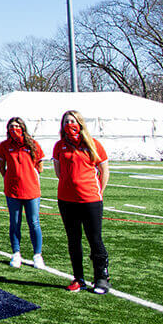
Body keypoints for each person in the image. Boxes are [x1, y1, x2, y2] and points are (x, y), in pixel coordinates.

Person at [53, 110, 111, 293]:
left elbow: (104, 170)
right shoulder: (59, 146)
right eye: (66, 121)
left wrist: (97, 191)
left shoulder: (93, 144)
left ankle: (101, 278)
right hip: (66, 200)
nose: (70, 124)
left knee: (95, 239)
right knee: (73, 240)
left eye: (73, 121)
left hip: (90, 200)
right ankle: (78, 278)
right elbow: (58, 171)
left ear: (80, 122)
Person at [0, 116, 45, 270]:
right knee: (15, 222)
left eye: (17, 126)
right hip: (13, 191)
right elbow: (2, 167)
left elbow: (40, 167)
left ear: (23, 127)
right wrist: (12, 179)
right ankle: (16, 253)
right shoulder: (4, 145)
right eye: (11, 126)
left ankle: (37, 255)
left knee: (34, 222)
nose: (14, 129)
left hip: (31, 190)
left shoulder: (32, 144)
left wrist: (27, 176)